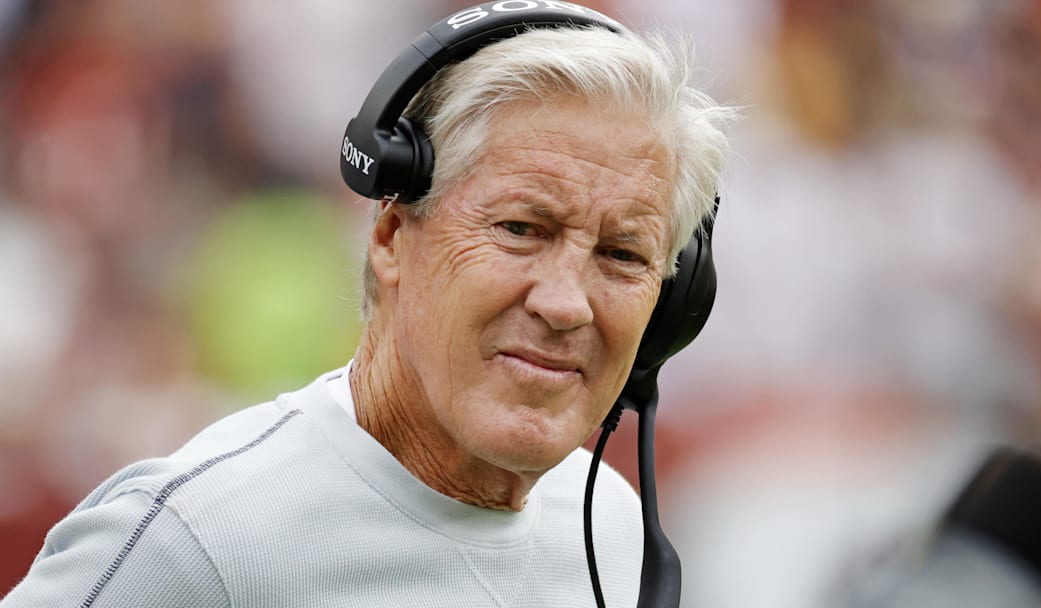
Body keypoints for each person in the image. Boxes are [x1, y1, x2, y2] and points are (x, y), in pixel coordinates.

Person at [0, 8, 734, 608]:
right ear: (389, 234)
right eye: (520, 229)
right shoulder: (194, 541)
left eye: (623, 256)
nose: (567, 304)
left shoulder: (611, 529)